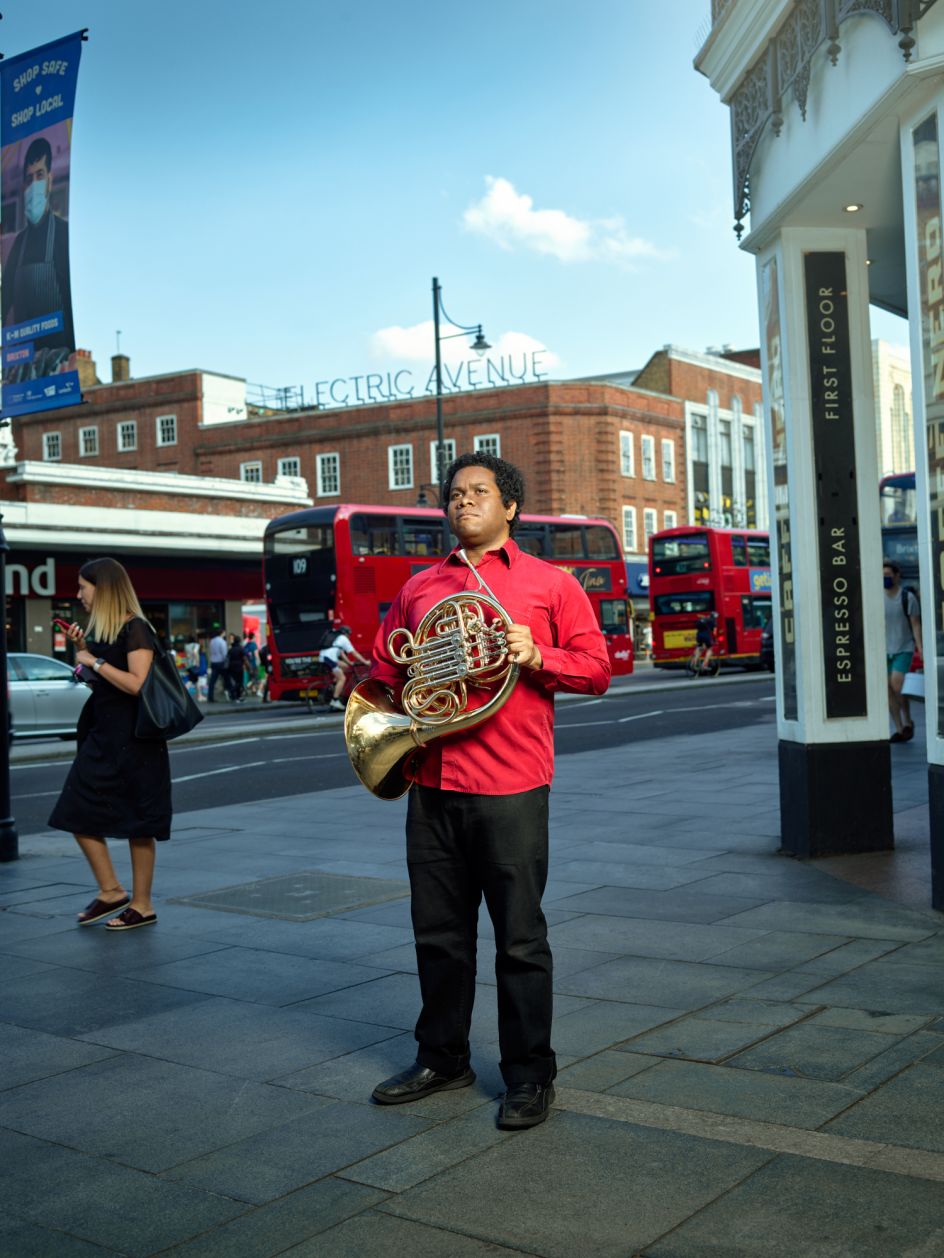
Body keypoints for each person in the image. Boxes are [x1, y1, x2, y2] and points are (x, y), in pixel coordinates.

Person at [369, 452, 610, 1130]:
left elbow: (596, 670)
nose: (461, 502)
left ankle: (530, 1075)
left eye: (477, 493)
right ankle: (442, 1057)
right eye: (453, 494)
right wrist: (387, 669)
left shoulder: (552, 584)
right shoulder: (421, 585)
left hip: (511, 784)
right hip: (431, 781)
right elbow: (391, 668)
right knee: (438, 936)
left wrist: (540, 657)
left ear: (509, 507)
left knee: (520, 940)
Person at [48, 557, 169, 930]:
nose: (78, 594)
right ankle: (111, 891)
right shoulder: (105, 632)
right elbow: (104, 683)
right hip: (104, 736)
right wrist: (85, 653)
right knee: (74, 809)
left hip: (135, 739)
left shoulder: (136, 628)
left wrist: (94, 662)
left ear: (103, 588)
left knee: (139, 821)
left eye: (83, 587)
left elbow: (137, 683)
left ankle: (143, 904)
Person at [1, 135, 75, 379]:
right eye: (29, 178)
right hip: (23, 369)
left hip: (58, 367)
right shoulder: (18, 245)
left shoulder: (63, 234)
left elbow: (71, 301)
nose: (34, 184)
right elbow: (4, 303)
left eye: (40, 175)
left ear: (51, 180)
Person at [884, 559, 922, 743]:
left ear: (897, 576)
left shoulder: (908, 597)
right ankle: (899, 727)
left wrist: (919, 648)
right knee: (888, 690)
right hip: (883, 649)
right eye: (882, 576)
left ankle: (908, 720)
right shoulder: (876, 597)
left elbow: (915, 624)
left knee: (897, 685)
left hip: (903, 647)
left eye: (888, 576)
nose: (885, 579)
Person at [319, 624, 369, 711]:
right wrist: (365, 662)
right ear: (346, 633)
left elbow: (342, 654)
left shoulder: (337, 638)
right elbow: (354, 653)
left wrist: (350, 663)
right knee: (342, 678)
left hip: (325, 657)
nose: (349, 636)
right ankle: (335, 700)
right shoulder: (343, 638)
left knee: (345, 666)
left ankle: (335, 684)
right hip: (329, 658)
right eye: (349, 634)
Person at [692, 609, 718, 675]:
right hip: (706, 635)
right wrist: (715, 639)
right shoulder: (713, 621)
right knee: (709, 649)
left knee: (700, 648)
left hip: (698, 635)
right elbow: (714, 632)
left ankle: (694, 662)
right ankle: (705, 664)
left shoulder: (704, 619)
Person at [207, 628, 229, 701]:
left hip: (214, 662)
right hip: (221, 662)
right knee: (227, 679)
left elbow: (210, 651)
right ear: (222, 633)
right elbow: (224, 653)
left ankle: (210, 697)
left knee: (212, 681)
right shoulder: (222, 641)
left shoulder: (212, 641)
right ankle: (233, 694)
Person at [227, 633, 246, 702]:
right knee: (239, 682)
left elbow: (228, 658)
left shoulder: (231, 649)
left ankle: (237, 696)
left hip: (231, 667)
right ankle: (234, 694)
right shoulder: (241, 649)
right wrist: (249, 667)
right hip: (239, 667)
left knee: (235, 682)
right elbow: (244, 658)